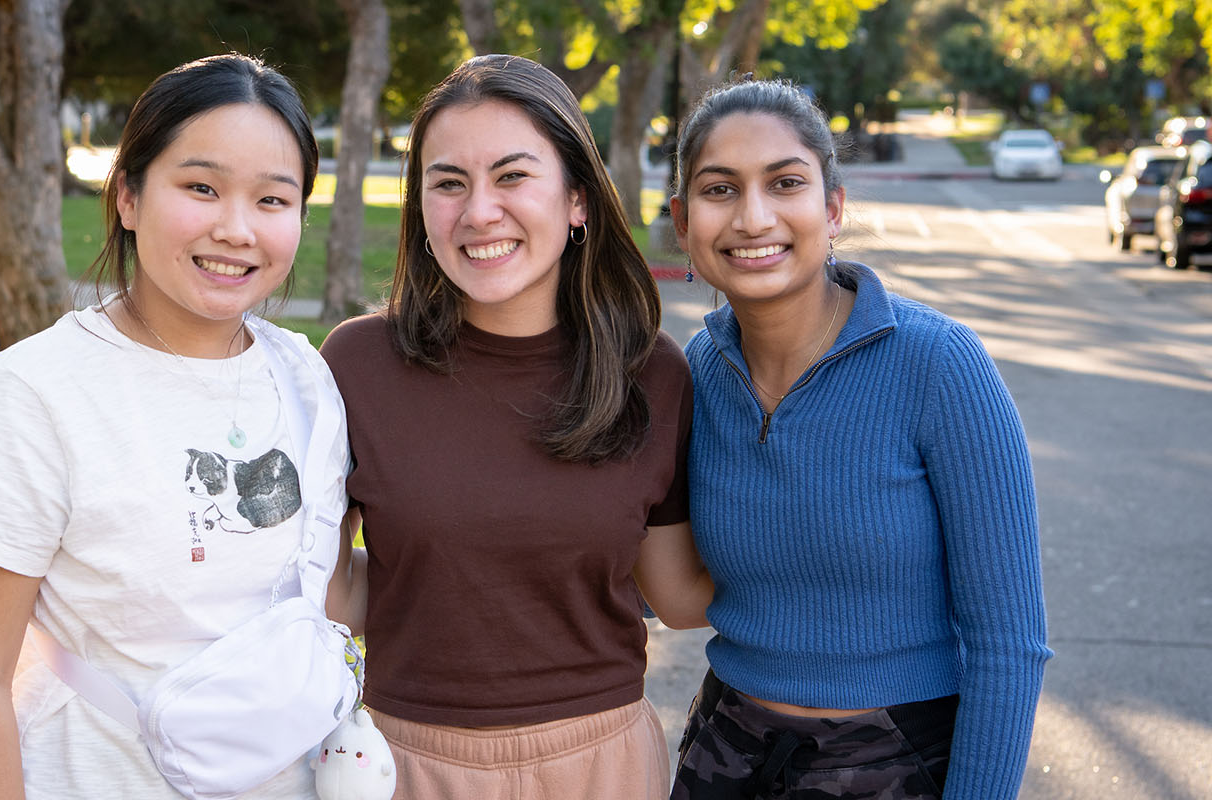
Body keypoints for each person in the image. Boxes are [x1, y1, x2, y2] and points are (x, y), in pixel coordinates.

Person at [0, 54, 349, 800]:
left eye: (273, 200)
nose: (236, 228)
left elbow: (325, 593)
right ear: (127, 195)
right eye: (200, 188)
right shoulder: (31, 395)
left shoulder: (305, 377)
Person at [318, 54, 712, 800]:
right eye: (448, 183)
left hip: (601, 765)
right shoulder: (357, 364)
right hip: (411, 763)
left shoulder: (652, 373)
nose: (478, 212)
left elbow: (680, 595)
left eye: (512, 176)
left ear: (579, 201)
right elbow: (336, 593)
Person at [668, 78, 1052, 800]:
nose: (753, 217)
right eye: (720, 190)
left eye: (785, 183)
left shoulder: (939, 364)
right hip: (726, 756)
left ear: (833, 207)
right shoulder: (699, 368)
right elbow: (677, 582)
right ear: (683, 223)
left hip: (896, 762)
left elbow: (1009, 646)